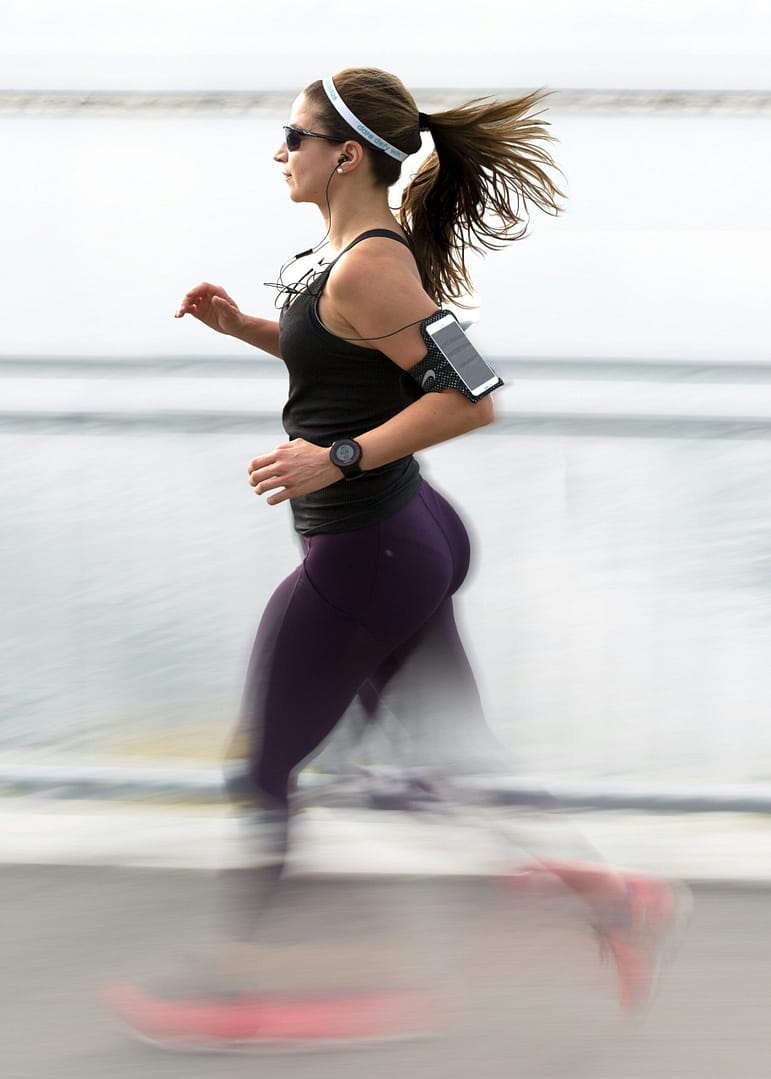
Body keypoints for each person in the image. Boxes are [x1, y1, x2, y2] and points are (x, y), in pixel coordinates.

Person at [105, 67, 687, 1049]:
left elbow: (473, 395)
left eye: (291, 135)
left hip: (370, 549)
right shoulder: (355, 256)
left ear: (343, 154)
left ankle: (241, 988)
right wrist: (247, 326)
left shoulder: (372, 261)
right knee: (445, 761)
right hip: (406, 537)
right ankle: (614, 896)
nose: (279, 151)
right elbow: (352, 355)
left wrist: (336, 458)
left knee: (265, 771)